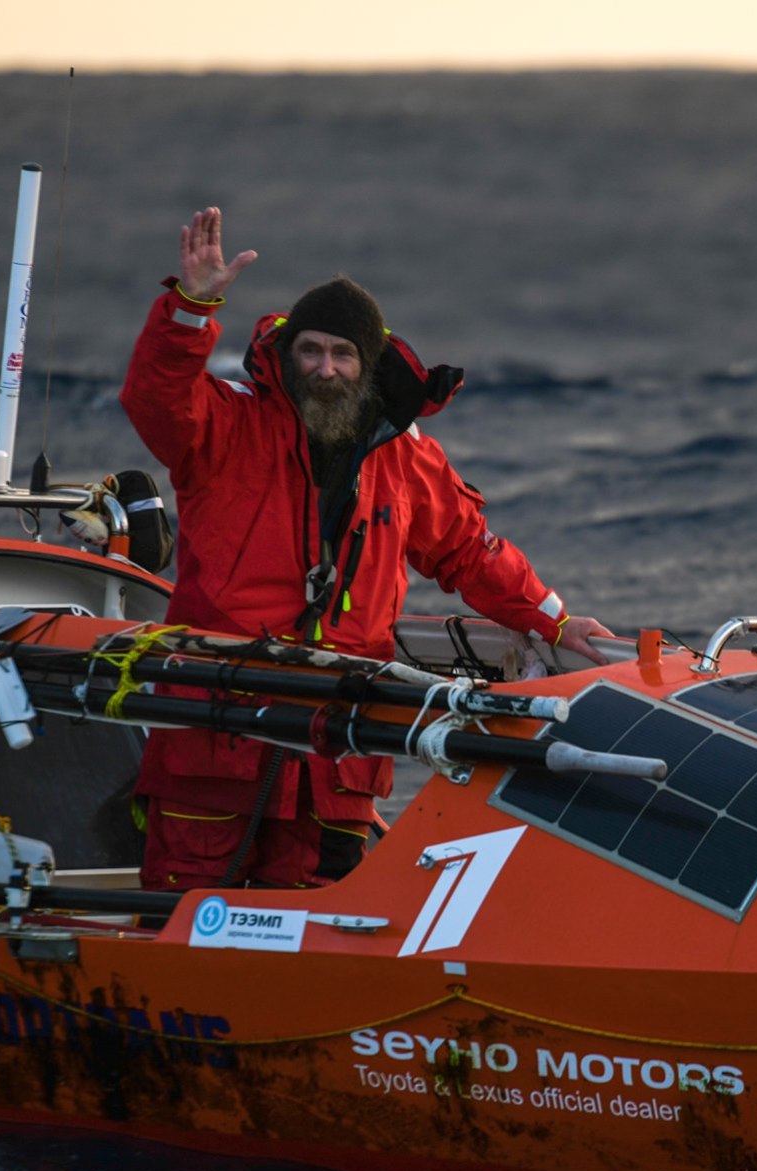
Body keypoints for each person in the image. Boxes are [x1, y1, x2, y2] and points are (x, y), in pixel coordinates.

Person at [121, 206, 615, 893]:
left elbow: (471, 551)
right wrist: (192, 306)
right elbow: (155, 397)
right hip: (215, 731)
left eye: (343, 354)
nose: (326, 369)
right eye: (311, 351)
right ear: (286, 356)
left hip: (338, 750)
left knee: (323, 926)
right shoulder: (224, 427)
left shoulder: (406, 457)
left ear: (368, 364)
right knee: (180, 907)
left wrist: (554, 620)